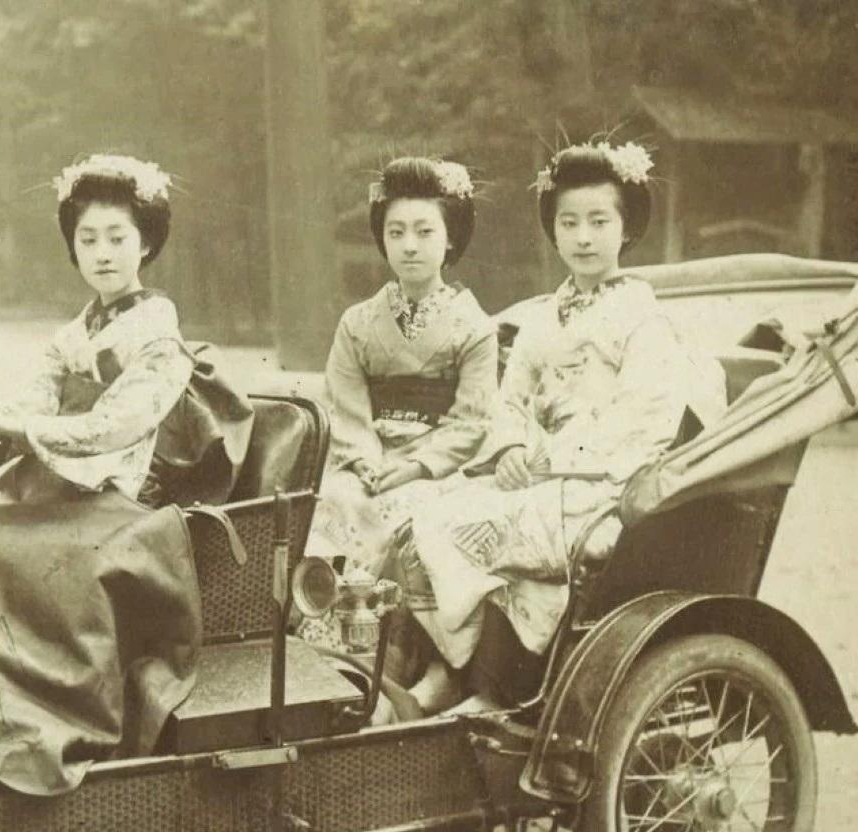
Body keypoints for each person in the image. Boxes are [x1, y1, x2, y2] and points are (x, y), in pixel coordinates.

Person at [0, 153, 251, 795]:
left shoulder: (161, 340)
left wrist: (27, 432)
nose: (102, 253)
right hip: (52, 487)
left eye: (117, 238)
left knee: (11, 565)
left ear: (147, 243)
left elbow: (116, 427)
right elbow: (33, 404)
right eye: (87, 239)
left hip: (118, 500)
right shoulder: (72, 333)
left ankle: (24, 737)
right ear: (72, 248)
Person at [391, 140, 726, 709]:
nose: (584, 237)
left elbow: (643, 422)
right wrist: (514, 447)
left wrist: (553, 459)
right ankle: (447, 671)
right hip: (537, 475)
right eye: (569, 222)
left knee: (474, 530)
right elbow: (510, 399)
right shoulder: (544, 315)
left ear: (627, 227)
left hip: (603, 486)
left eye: (600, 221)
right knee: (422, 513)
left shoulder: (646, 319)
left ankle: (495, 691)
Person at [308, 156, 498, 584]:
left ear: (450, 239)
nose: (409, 245)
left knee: (419, 519)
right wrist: (365, 461)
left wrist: (416, 466)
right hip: (367, 460)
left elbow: (472, 422)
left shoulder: (475, 327)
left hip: (437, 468)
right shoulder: (357, 323)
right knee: (333, 501)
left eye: (424, 231)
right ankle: (324, 625)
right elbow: (346, 407)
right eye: (396, 232)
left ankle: (396, 640)